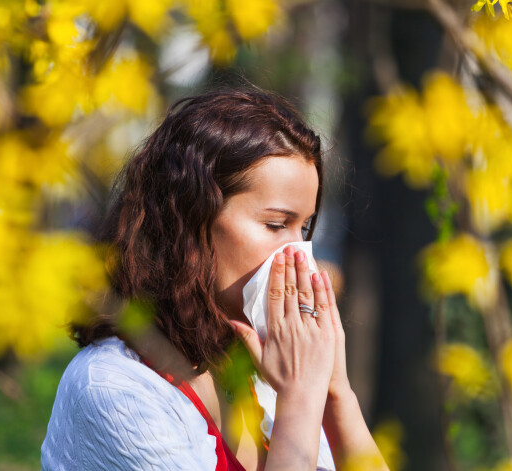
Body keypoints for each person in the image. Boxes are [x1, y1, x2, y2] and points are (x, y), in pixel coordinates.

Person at [40, 86, 387, 470]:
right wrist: (301, 398)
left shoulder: (263, 373)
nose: (300, 258)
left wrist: (335, 391)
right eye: (275, 224)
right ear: (190, 220)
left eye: (303, 230)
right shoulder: (114, 388)